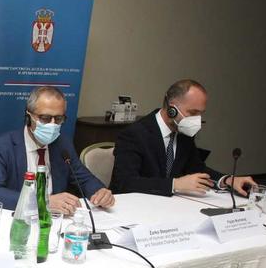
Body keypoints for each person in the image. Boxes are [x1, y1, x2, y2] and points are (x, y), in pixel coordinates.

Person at [0, 85, 115, 214]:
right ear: (28, 117)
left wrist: (100, 192)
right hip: (18, 219)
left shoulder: (62, 144)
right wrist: (42, 202)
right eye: (45, 118)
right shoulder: (2, 146)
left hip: (55, 219)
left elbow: (84, 179)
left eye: (58, 119)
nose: (53, 124)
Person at [110, 79, 256, 196]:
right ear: (172, 109)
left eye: (200, 113)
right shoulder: (134, 134)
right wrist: (175, 184)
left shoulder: (183, 133)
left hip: (172, 207)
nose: (197, 119)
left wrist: (227, 180)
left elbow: (197, 169)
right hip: (137, 208)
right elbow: (124, 182)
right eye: (193, 113)